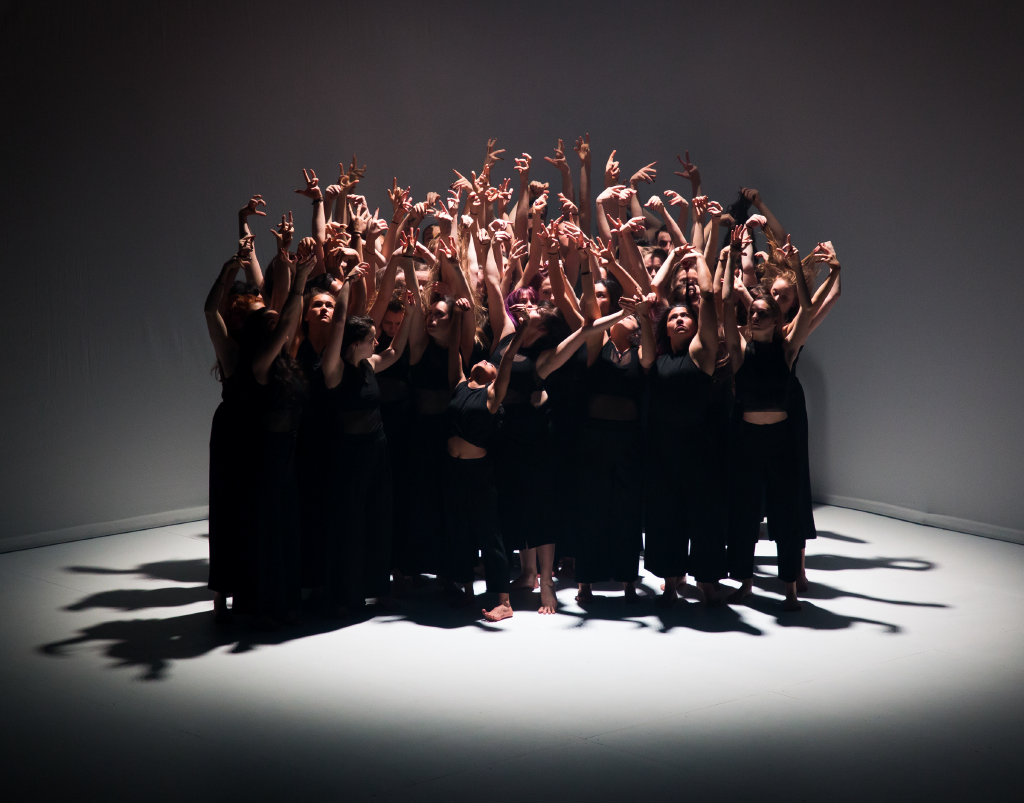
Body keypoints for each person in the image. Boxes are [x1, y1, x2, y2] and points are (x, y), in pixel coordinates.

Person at [721, 229, 813, 611]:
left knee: (786, 513)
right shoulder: (740, 351)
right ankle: (745, 583)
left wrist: (795, 268)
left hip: (780, 442)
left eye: (762, 314)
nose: (755, 317)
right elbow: (726, 302)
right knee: (743, 513)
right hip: (746, 440)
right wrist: (729, 259)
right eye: (752, 314)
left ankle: (790, 586)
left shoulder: (787, 350)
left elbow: (806, 311)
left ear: (776, 321)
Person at [318, 262, 415, 616]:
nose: (379, 340)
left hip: (378, 450)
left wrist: (408, 318)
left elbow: (395, 351)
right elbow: (339, 325)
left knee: (377, 519)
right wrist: (345, 287)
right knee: (350, 524)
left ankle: (376, 588)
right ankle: (346, 594)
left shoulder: (369, 364)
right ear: (358, 342)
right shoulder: (334, 370)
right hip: (349, 456)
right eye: (373, 337)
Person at [638, 246, 727, 606]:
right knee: (666, 516)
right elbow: (647, 329)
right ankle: (672, 578)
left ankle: (706, 580)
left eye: (684, 317)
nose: (678, 319)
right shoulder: (658, 359)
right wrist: (644, 313)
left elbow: (707, 296)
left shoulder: (701, 353)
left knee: (703, 516)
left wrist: (699, 262)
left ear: (694, 325)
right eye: (672, 317)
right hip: (663, 450)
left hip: (700, 450)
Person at [232, 250, 315, 628]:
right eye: (270, 321)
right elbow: (287, 323)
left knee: (289, 528)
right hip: (266, 454)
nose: (278, 323)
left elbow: (290, 325)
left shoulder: (288, 360)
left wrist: (297, 278)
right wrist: (298, 281)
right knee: (268, 531)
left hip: (290, 452)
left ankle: (286, 601)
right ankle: (264, 605)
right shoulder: (259, 364)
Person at [203, 237, 262, 623]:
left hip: (259, 434)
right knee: (228, 510)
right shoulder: (232, 350)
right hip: (233, 434)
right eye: (253, 314)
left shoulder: (269, 348)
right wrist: (229, 272)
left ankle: (252, 590)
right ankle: (224, 593)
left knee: (254, 515)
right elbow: (210, 310)